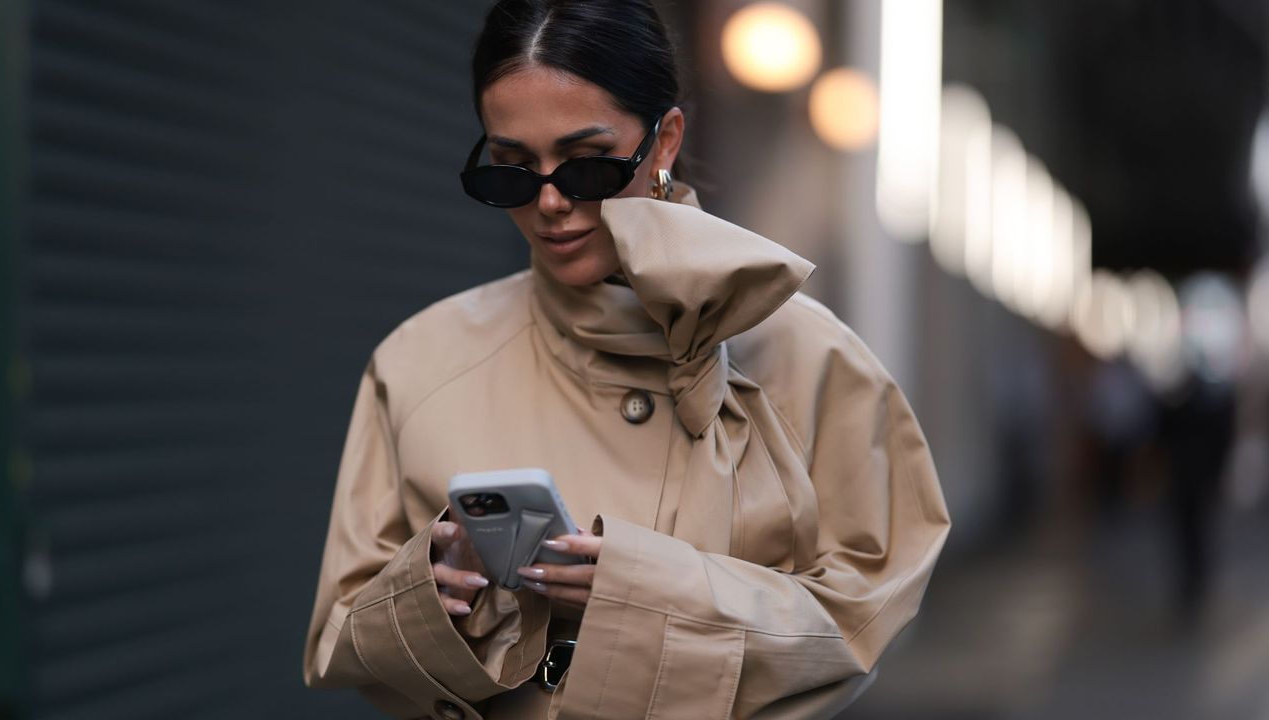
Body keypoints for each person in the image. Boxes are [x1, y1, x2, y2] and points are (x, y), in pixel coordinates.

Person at [302, 1, 951, 718]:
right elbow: (341, 630)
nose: (549, 202)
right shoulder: (419, 362)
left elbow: (865, 617)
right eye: (512, 171)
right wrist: (429, 592)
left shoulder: (806, 355)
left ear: (665, 141)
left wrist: (645, 593)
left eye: (585, 166)